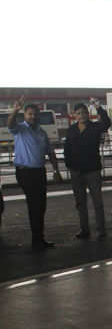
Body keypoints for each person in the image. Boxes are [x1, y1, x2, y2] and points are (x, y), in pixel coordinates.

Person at [7, 96, 62, 250]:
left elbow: (50, 153)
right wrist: (15, 109)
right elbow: (10, 123)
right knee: (34, 204)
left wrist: (56, 170)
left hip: (39, 172)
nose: (33, 116)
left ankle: (39, 238)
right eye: (29, 114)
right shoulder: (19, 129)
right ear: (24, 115)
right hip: (25, 173)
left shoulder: (42, 132)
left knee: (41, 205)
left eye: (35, 114)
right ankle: (36, 241)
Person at [63, 99, 111, 239]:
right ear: (74, 115)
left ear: (88, 113)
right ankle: (84, 230)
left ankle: (101, 230)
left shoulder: (95, 127)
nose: (81, 115)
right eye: (78, 113)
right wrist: (69, 165)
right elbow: (67, 149)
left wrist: (98, 107)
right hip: (76, 172)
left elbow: (107, 123)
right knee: (80, 203)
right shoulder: (71, 130)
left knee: (98, 202)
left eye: (84, 112)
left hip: (93, 171)